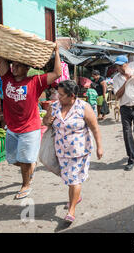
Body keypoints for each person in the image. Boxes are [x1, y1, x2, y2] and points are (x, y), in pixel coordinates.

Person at [0, 44, 62, 199]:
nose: (14, 68)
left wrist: (57, 52)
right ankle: (30, 166)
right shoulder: (6, 78)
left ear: (27, 69)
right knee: (13, 159)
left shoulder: (35, 81)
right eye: (14, 65)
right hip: (12, 128)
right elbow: (2, 59)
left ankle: (25, 185)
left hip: (29, 128)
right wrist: (4, 49)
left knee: (25, 161)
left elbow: (57, 73)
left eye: (19, 66)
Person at [43, 80, 103, 223]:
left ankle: (71, 211)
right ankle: (76, 197)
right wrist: (48, 120)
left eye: (62, 95)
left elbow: (95, 128)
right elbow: (45, 121)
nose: (58, 96)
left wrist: (99, 147)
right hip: (61, 151)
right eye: (58, 93)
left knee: (74, 180)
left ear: (72, 96)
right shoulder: (54, 106)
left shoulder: (83, 107)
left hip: (79, 151)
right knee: (70, 180)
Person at [112, 55, 134, 171]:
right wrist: (126, 81)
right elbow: (117, 95)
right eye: (117, 66)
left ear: (126, 64)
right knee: (127, 134)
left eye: (121, 65)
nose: (119, 68)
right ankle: (131, 159)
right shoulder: (116, 78)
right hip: (125, 108)